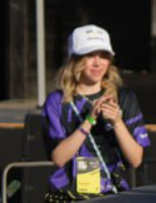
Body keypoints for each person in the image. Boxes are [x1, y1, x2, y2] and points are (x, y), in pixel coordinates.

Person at [42, 26, 149, 198]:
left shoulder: (124, 98)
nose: (98, 63)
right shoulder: (56, 101)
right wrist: (88, 121)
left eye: (104, 56)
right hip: (68, 196)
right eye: (90, 55)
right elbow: (59, 158)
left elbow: (136, 160)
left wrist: (117, 123)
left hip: (113, 194)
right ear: (75, 59)